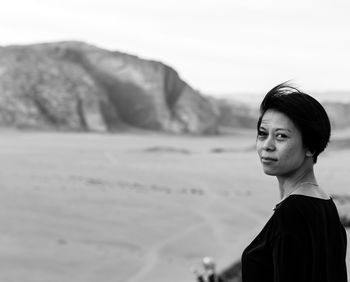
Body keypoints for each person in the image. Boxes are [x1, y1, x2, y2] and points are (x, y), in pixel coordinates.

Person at [241, 83, 348, 282]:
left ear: (311, 147)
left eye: (281, 136)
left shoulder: (292, 214)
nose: (267, 146)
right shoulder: (326, 207)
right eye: (262, 134)